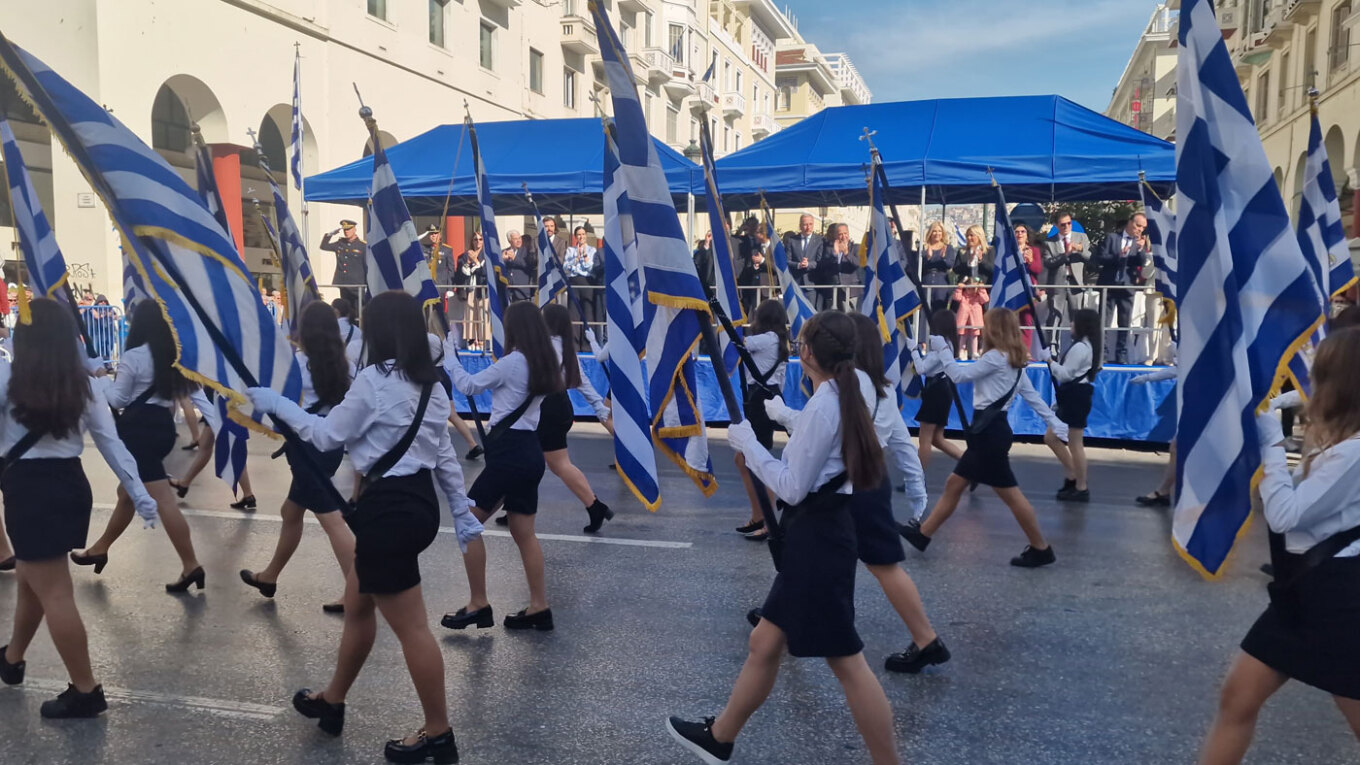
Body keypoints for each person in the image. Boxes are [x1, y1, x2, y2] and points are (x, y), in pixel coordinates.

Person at [246, 291, 478, 763]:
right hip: (417, 506)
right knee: (357, 605)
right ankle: (333, 700)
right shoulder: (433, 385)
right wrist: (460, 511)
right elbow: (444, 456)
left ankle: (439, 735)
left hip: (386, 510)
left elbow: (325, 435)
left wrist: (275, 402)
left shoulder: (374, 380)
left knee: (412, 628)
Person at [667, 311, 899, 765]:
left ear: (807, 352)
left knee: (848, 662)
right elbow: (826, 436)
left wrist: (749, 445)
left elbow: (793, 484)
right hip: (827, 530)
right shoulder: (856, 388)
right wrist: (783, 414)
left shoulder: (827, 402)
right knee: (764, 642)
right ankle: (721, 737)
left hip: (818, 537)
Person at [1196, 328, 1360, 764]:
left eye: (1318, 374)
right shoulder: (1343, 442)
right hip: (1301, 594)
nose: (1311, 382)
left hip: (1338, 600)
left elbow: (1285, 515)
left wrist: (1270, 440)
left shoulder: (1354, 452)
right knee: (1237, 699)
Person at [0, 299, 158, 719]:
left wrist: (141, 494)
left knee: (52, 588)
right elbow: (111, 441)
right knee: (32, 577)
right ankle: (12, 659)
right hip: (71, 485)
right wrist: (138, 491)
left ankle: (87, 690)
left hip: (28, 489)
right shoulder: (82, 384)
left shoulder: (7, 377)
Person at [766, 312, 945, 674]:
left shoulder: (853, 385)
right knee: (875, 564)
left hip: (848, 486)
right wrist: (917, 493)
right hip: (870, 480)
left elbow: (821, 428)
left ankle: (924, 638)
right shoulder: (882, 389)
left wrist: (782, 413)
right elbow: (903, 445)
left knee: (826, 553)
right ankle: (782, 612)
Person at [902, 308, 1067, 567]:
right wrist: (1053, 421)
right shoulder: (1013, 360)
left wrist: (943, 350)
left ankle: (1041, 547)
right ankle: (923, 534)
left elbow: (958, 376)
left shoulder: (994, 358)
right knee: (954, 484)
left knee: (1010, 494)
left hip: (988, 433)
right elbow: (1033, 397)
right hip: (992, 431)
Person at [443, 301, 563, 632]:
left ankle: (478, 603)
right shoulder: (544, 361)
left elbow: (468, 386)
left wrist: (449, 355)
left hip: (509, 452)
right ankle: (539, 607)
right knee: (525, 533)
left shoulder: (512, 363)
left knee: (467, 523)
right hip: (529, 451)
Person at [72, 300, 205, 592]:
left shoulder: (134, 356)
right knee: (127, 493)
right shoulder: (173, 356)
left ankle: (191, 564)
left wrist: (100, 377)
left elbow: (116, 400)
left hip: (139, 429)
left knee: (162, 500)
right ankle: (101, 547)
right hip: (162, 428)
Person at [239, 302, 357, 611]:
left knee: (331, 520)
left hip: (306, 448)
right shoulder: (345, 365)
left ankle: (357, 589)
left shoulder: (297, 364)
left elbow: (277, 397)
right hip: (329, 445)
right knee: (291, 512)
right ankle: (269, 576)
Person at [526, 304, 614, 534]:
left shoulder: (541, 348)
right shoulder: (565, 348)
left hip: (543, 408)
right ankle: (594, 506)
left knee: (535, 460)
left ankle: (594, 506)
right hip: (560, 405)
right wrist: (598, 406)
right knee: (552, 463)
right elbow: (582, 380)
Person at [733, 300, 790, 542]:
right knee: (744, 459)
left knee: (757, 461)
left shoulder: (768, 338)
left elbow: (739, 342)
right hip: (765, 398)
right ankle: (759, 515)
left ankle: (768, 520)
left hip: (761, 401)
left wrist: (732, 319)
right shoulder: (778, 340)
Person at [1039, 308, 1101, 503]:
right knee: (1051, 437)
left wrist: (1049, 360)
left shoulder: (1081, 348)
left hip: (1077, 396)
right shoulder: (1085, 346)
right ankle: (1072, 475)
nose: (1070, 325)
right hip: (1074, 394)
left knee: (1075, 443)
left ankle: (1081, 486)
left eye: (1074, 322)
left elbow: (1064, 374)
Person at [911, 310, 964, 477]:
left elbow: (921, 369)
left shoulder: (942, 348)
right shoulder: (949, 344)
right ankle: (970, 466)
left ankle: (916, 479)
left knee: (924, 438)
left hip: (936, 391)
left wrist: (913, 350)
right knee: (937, 438)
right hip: (944, 389)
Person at [1093, 214, 1151, 364]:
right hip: (1109, 285)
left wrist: (1139, 250)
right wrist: (1120, 255)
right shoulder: (1112, 237)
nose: (1140, 230)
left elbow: (1142, 262)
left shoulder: (1138, 242)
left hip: (1127, 287)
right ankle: (1102, 355)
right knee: (1104, 322)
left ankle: (1121, 355)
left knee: (1124, 323)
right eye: (1138, 226)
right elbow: (1101, 257)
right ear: (1130, 222)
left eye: (1143, 228)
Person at [1041, 211, 1091, 338]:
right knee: (1055, 317)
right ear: (1056, 225)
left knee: (1077, 317)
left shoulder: (1081, 237)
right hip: (1057, 283)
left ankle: (1079, 345)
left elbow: (1090, 257)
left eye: (1069, 223)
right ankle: (1052, 349)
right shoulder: (1049, 242)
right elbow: (1048, 262)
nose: (1067, 226)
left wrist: (1079, 250)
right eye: (1063, 224)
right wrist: (1066, 255)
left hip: (1076, 282)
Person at [952, 225, 993, 360]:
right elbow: (956, 269)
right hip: (966, 294)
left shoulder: (990, 251)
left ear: (979, 236)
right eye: (968, 235)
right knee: (964, 322)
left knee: (982, 321)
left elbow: (992, 269)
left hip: (982, 292)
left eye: (972, 235)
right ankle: (963, 350)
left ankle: (981, 348)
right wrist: (968, 262)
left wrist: (981, 261)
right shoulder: (963, 252)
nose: (969, 238)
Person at [563, 227, 601, 341]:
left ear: (586, 236)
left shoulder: (592, 250)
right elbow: (566, 267)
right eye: (579, 234)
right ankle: (574, 342)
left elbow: (591, 268)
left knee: (588, 311)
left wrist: (584, 257)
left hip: (587, 281)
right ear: (575, 236)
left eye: (583, 234)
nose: (581, 237)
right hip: (574, 281)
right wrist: (576, 259)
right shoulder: (570, 250)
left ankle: (588, 343)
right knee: (573, 312)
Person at [319, 219, 366, 307]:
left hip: (357, 283)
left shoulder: (362, 246)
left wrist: (367, 283)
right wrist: (330, 234)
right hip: (343, 282)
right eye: (344, 230)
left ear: (354, 229)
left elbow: (366, 265)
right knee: (345, 308)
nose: (346, 232)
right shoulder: (340, 243)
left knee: (358, 309)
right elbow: (323, 246)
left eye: (348, 229)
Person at [453, 232, 487, 351]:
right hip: (470, 289)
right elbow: (460, 275)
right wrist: (468, 262)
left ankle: (483, 341)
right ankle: (472, 340)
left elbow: (485, 273)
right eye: (475, 239)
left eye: (480, 239)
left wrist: (476, 261)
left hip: (483, 289)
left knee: (483, 314)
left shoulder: (487, 255)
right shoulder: (464, 256)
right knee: (471, 316)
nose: (478, 242)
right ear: (471, 241)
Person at [1014, 223, 1045, 349]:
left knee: (1027, 321)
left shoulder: (1034, 250)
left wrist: (1031, 261)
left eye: (1022, 231)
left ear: (1027, 235)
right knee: (1011, 322)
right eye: (1017, 231)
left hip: (1028, 290)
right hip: (1013, 290)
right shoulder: (1009, 251)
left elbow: (1038, 270)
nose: (1019, 234)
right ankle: (1012, 351)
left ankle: (1025, 352)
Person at [815, 223, 860, 310]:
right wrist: (835, 254)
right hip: (833, 291)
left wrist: (846, 253)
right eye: (840, 234)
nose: (843, 236)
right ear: (836, 235)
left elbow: (858, 264)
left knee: (853, 319)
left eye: (845, 233)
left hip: (850, 291)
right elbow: (823, 265)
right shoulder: (828, 249)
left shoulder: (855, 248)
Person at [737, 227, 776, 315]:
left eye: (757, 233)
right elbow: (748, 267)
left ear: (763, 234)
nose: (755, 235)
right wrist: (754, 267)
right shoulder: (754, 249)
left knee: (769, 315)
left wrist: (762, 261)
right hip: (755, 287)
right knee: (756, 314)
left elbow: (777, 268)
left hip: (769, 288)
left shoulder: (775, 248)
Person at [918, 221, 955, 313]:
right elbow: (918, 266)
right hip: (926, 280)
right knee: (925, 311)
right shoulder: (923, 248)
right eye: (934, 231)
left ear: (943, 233)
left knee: (940, 310)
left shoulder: (948, 248)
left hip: (941, 282)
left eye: (939, 231)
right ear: (930, 232)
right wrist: (928, 258)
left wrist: (943, 258)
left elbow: (950, 265)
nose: (937, 234)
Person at [781, 213, 822, 286]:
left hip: (812, 283)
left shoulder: (819, 240)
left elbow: (820, 261)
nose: (808, 227)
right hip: (796, 282)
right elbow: (787, 260)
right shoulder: (792, 240)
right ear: (800, 226)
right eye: (805, 224)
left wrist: (808, 264)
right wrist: (799, 265)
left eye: (810, 224)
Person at [501, 230, 537, 304]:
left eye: (519, 238)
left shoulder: (528, 251)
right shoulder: (503, 252)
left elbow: (529, 266)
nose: (518, 241)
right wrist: (502, 260)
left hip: (522, 292)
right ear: (509, 241)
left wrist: (515, 258)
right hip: (508, 291)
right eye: (515, 239)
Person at [421, 225, 457, 289]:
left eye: (436, 233)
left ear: (440, 235)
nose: (433, 235)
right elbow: (413, 242)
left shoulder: (447, 249)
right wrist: (425, 234)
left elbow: (451, 270)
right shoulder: (424, 248)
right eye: (431, 233)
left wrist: (450, 288)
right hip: (427, 285)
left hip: (441, 285)